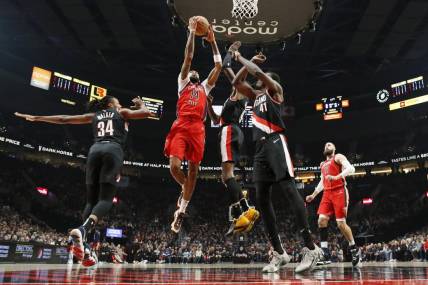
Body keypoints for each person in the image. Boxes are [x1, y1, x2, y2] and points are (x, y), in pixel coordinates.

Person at [15, 95, 152, 266]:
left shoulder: (94, 116)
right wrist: (140, 104)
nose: (121, 104)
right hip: (113, 150)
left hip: (94, 152)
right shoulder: (121, 112)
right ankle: (83, 230)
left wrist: (37, 118)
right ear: (111, 104)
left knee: (91, 200)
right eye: (118, 102)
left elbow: (64, 119)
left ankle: (84, 246)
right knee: (106, 199)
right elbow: (146, 113)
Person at [230, 46, 321, 273]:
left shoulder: (275, 91)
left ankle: (310, 248)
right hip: (259, 150)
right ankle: (280, 253)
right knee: (261, 199)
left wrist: (241, 58)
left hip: (275, 142)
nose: (260, 77)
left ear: (269, 81)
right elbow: (236, 84)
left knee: (290, 190)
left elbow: (256, 74)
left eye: (263, 76)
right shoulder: (255, 96)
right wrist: (247, 60)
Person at [164, 16, 222, 233]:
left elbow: (218, 65)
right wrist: (191, 31)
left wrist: (213, 40)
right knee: (175, 168)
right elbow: (188, 57)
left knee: (194, 172)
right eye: (192, 71)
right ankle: (183, 187)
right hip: (180, 125)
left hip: (198, 127)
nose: (194, 71)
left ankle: (181, 211)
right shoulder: (182, 83)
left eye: (196, 72)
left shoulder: (205, 88)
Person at [206, 42, 263, 236]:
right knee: (226, 176)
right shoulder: (235, 97)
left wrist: (231, 54)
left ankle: (244, 211)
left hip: (229, 131)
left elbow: (230, 72)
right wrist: (207, 104)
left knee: (227, 175)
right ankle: (246, 209)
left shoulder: (240, 93)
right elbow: (215, 119)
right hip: (231, 131)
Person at [305, 142, 361, 267]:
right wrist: (313, 195)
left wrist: (337, 177)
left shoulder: (338, 157)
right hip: (327, 193)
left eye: (330, 145)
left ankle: (353, 248)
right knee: (321, 220)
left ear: (334, 149)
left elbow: (351, 169)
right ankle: (325, 253)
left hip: (339, 190)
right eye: (325, 145)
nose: (327, 145)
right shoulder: (323, 164)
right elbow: (322, 181)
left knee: (341, 224)